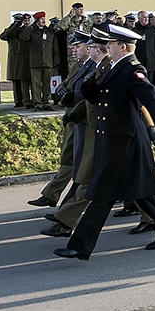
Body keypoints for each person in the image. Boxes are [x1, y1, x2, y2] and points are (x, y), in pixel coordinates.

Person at [53, 25, 155, 260]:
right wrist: (89, 84)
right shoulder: (115, 67)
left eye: (110, 44)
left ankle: (80, 246)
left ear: (122, 47)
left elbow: (150, 94)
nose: (106, 47)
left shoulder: (132, 68)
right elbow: (102, 97)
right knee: (142, 194)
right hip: (114, 139)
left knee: (102, 193)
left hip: (124, 141)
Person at [39, 30, 113, 237]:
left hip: (109, 131)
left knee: (94, 179)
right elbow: (85, 96)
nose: (83, 50)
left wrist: (153, 126)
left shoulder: (113, 68)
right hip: (88, 125)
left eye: (87, 47)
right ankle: (65, 221)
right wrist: (72, 109)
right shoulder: (93, 66)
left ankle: (66, 221)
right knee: (92, 176)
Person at [27, 30, 92, 209]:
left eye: (77, 46)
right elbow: (66, 83)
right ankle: (53, 195)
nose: (73, 49)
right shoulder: (79, 65)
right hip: (73, 118)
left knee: (85, 164)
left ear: (89, 47)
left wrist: (73, 98)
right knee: (69, 157)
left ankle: (63, 206)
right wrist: (62, 90)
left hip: (85, 119)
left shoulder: (94, 66)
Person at [19, 11, 58, 111]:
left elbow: (55, 47)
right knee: (36, 84)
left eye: (44, 19)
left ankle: (46, 102)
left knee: (46, 83)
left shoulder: (49, 31)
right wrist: (31, 27)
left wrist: (55, 61)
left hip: (48, 61)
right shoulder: (32, 31)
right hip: (35, 62)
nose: (43, 21)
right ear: (36, 21)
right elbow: (22, 37)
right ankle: (38, 103)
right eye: (41, 19)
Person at [0, 13, 29, 106]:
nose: (25, 22)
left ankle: (26, 100)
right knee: (16, 80)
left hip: (25, 58)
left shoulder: (26, 30)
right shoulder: (12, 31)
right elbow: (3, 36)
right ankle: (17, 100)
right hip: (14, 59)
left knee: (24, 80)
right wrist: (15, 25)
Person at [133, 10, 155, 83]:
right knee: (139, 81)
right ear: (139, 18)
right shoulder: (135, 29)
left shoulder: (152, 29)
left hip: (150, 61)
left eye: (147, 18)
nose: (146, 19)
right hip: (138, 60)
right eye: (144, 17)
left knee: (149, 82)